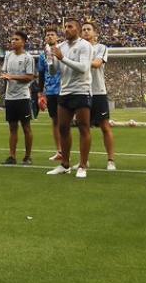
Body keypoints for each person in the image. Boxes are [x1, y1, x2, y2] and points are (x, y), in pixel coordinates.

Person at [46, 19, 93, 178]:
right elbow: (54, 72)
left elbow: (83, 68)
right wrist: (51, 60)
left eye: (70, 26)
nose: (66, 29)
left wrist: (62, 58)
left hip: (81, 90)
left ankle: (82, 165)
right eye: (65, 27)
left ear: (78, 29)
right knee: (63, 128)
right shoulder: (60, 47)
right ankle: (65, 164)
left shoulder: (85, 45)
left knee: (83, 128)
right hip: (64, 91)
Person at [82, 22, 116, 171]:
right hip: (82, 92)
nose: (85, 32)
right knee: (84, 128)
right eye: (83, 30)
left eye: (88, 29)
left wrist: (78, 63)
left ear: (95, 33)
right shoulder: (79, 49)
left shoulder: (101, 48)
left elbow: (96, 64)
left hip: (98, 92)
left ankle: (111, 160)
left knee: (105, 127)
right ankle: (84, 161)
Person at [0, 31, 36, 165]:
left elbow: (29, 77)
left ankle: (27, 156)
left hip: (23, 97)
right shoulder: (8, 56)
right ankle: (12, 156)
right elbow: (4, 72)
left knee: (26, 127)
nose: (13, 41)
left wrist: (11, 77)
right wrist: (4, 75)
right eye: (12, 39)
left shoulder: (28, 58)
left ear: (23, 42)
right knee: (12, 128)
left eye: (16, 39)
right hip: (10, 98)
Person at [38, 28, 63, 162]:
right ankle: (59, 151)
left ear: (57, 37)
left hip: (63, 90)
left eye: (52, 34)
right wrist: (41, 92)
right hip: (51, 91)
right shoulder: (43, 55)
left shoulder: (62, 51)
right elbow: (41, 74)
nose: (50, 37)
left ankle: (66, 150)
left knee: (64, 121)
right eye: (47, 35)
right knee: (55, 121)